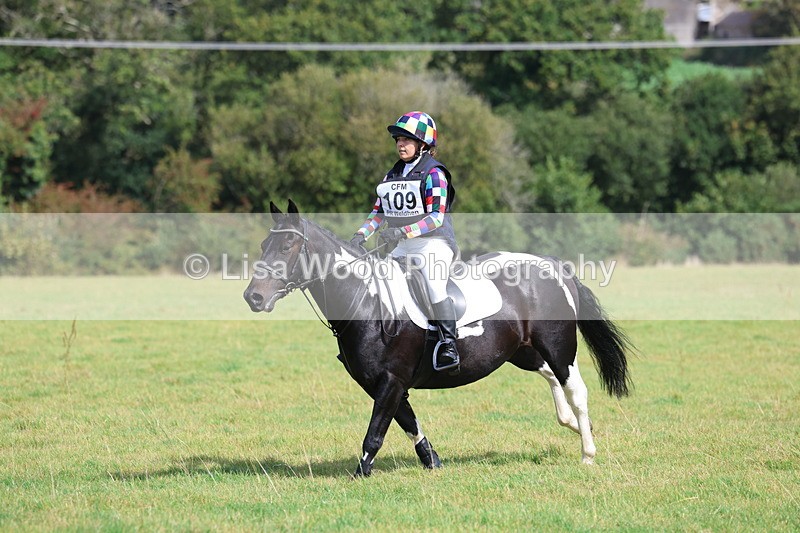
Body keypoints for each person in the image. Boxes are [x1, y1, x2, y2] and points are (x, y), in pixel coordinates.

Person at [350, 111, 460, 372]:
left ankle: (448, 345)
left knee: (434, 286)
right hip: (403, 246)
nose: (400, 143)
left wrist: (402, 232)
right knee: (378, 283)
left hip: (433, 244)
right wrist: (360, 235)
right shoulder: (392, 176)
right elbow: (378, 213)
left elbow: (435, 218)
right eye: (398, 139)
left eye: (407, 139)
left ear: (423, 144)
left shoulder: (435, 174)